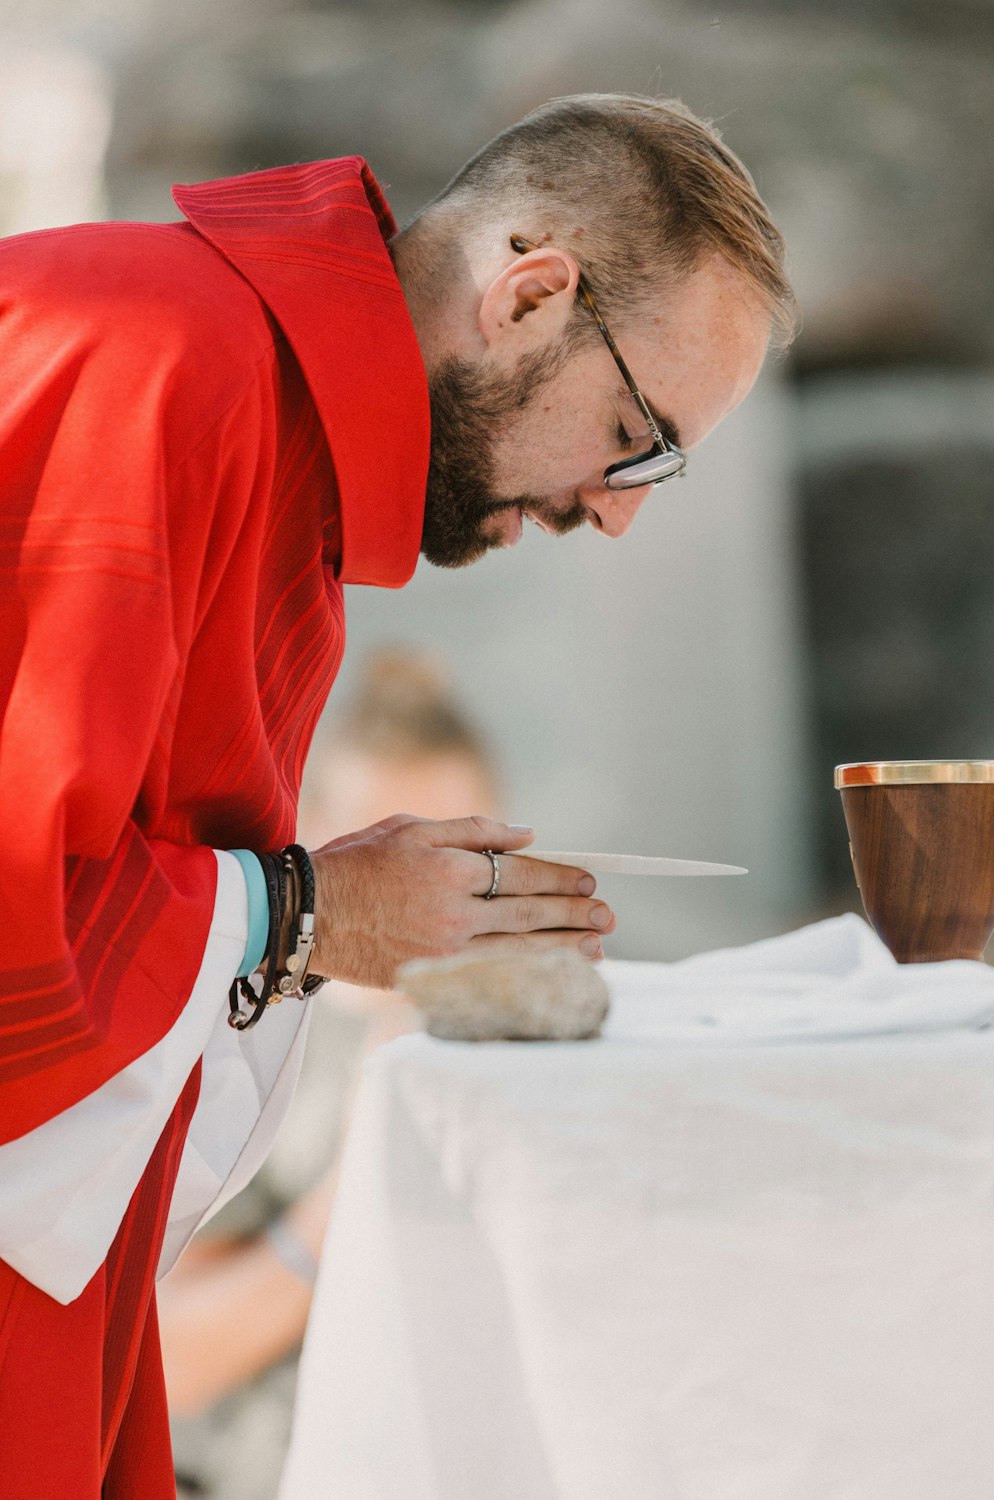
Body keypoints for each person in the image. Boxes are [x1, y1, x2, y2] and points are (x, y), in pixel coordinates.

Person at [0, 92, 794, 1496]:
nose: (618, 510)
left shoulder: (256, 413)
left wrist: (322, 909)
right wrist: (306, 912)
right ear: (530, 295)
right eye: (637, 435)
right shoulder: (155, 358)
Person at [161, 646, 503, 1500]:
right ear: (311, 841)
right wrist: (352, 1191)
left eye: (458, 857)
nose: (427, 903)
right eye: (390, 862)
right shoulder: (231, 1038)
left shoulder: (553, 1021)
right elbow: (163, 1361)